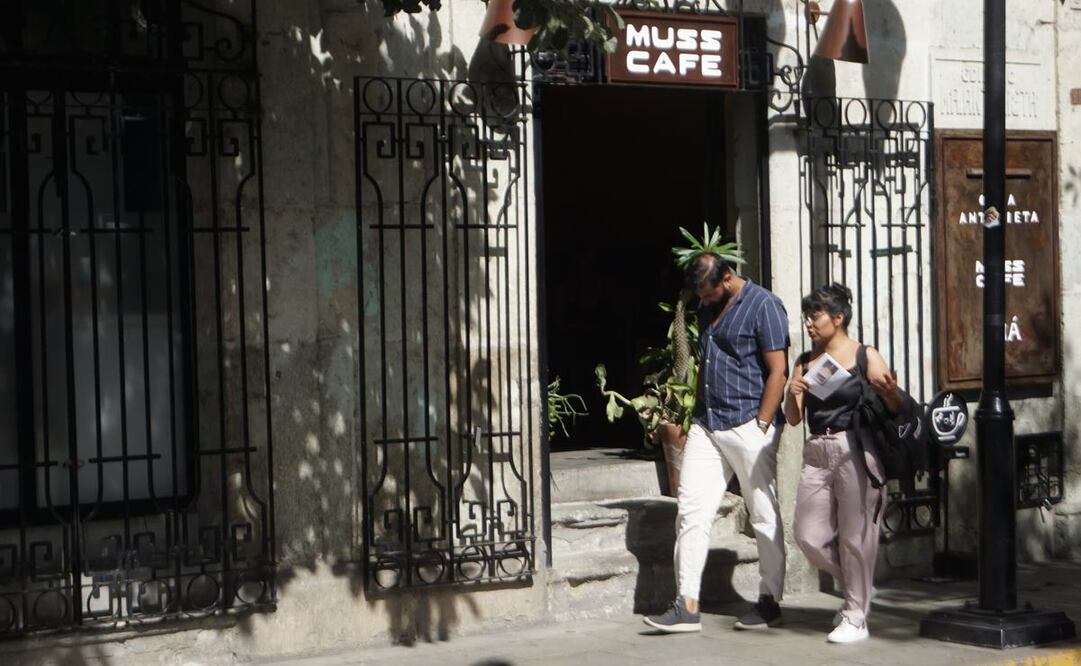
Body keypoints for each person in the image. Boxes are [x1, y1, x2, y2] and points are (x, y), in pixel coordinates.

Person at [644, 253, 789, 633]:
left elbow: (778, 370)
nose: (703, 302)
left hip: (748, 425)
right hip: (708, 425)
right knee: (691, 510)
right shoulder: (710, 306)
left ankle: (770, 599)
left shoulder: (764, 305)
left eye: (707, 295)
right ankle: (687, 605)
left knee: (762, 513)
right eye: (700, 297)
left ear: (727, 279)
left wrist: (761, 425)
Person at [783, 283, 903, 644]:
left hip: (855, 446)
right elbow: (792, 418)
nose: (809, 323)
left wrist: (890, 391)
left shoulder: (865, 355)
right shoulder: (805, 362)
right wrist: (793, 394)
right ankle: (859, 586)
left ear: (838, 318)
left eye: (815, 316)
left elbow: (895, 406)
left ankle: (855, 616)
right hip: (817, 449)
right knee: (807, 534)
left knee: (855, 534)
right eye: (806, 316)